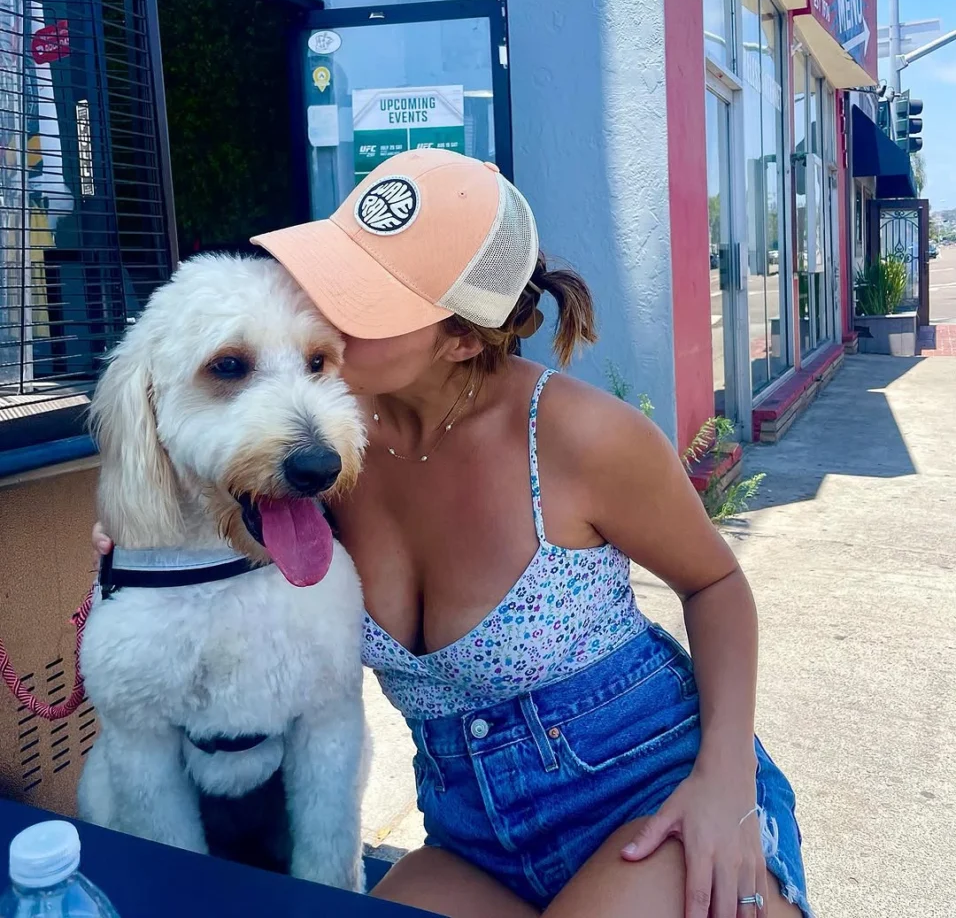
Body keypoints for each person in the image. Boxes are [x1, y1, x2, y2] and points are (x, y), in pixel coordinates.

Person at [93, 150, 813, 918]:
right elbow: (207, 473)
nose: (318, 306)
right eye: (330, 271)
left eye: (359, 300)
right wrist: (149, 542)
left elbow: (717, 582)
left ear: (461, 340)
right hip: (473, 834)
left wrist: (726, 779)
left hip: (654, 793)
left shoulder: (583, 439)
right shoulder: (325, 447)